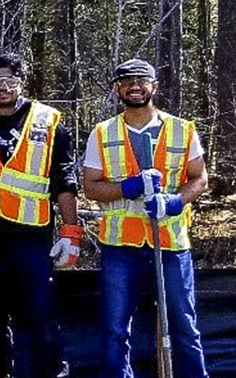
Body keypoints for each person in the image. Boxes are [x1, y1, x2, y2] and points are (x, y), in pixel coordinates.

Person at [81, 58, 210, 378]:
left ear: (155, 86)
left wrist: (174, 202)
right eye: (126, 82)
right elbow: (91, 187)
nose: (134, 87)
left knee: (183, 326)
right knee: (114, 329)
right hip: (120, 247)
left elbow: (200, 179)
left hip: (170, 244)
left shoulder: (183, 129)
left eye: (141, 81)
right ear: (117, 89)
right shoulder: (102, 132)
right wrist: (127, 187)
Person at [0, 51, 80, 378]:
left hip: (31, 237)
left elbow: (64, 179)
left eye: (10, 80)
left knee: (41, 313)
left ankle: (53, 372)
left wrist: (71, 232)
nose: (3, 87)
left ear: (20, 82)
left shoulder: (47, 120)